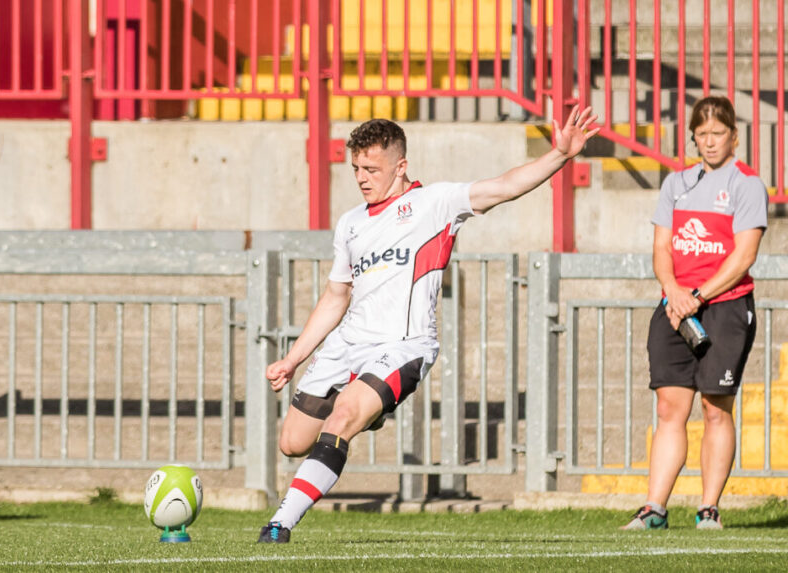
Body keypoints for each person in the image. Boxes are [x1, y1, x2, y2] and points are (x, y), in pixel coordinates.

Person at [256, 108, 599, 543]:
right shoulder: (351, 224)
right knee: (292, 442)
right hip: (348, 343)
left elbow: (505, 186)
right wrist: (292, 358)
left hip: (403, 345)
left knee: (342, 417)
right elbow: (335, 296)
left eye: (372, 169)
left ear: (401, 167)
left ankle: (279, 523)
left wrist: (559, 155)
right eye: (356, 169)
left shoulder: (433, 203)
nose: (363, 178)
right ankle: (371, 407)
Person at [624, 96, 767, 531]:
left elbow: (743, 257)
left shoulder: (747, 185)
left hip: (724, 307)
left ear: (733, 136)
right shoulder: (676, 183)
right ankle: (654, 509)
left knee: (715, 408)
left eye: (717, 133)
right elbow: (661, 247)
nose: (709, 142)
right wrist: (673, 291)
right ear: (692, 137)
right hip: (675, 307)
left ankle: (708, 508)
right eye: (701, 134)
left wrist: (698, 294)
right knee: (669, 408)